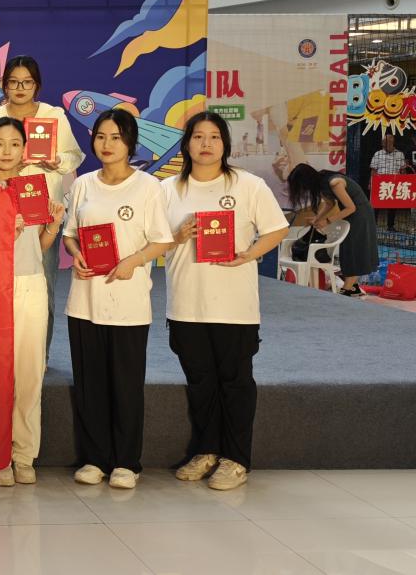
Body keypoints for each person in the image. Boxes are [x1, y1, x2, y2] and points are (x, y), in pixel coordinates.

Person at [162, 112, 288, 491]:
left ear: (225, 144)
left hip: (235, 306)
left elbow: (277, 228)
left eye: (214, 137)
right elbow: (152, 239)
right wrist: (177, 235)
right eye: (198, 136)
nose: (206, 144)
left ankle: (236, 459)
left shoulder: (248, 185)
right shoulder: (167, 189)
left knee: (235, 382)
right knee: (200, 382)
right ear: (187, 143)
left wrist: (249, 254)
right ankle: (206, 451)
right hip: (186, 303)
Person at [62, 108, 173, 490]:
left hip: (128, 302)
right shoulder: (83, 185)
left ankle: (127, 462)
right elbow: (70, 233)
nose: (107, 144)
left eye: (116, 137)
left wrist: (133, 261)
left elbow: (162, 240)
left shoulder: (148, 187)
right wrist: (76, 253)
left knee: (125, 385)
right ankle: (94, 459)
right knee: (89, 383)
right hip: (85, 300)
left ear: (130, 142)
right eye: (100, 136)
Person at [0, 118, 64, 488]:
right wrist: (2, 234)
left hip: (30, 285)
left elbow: (39, 247)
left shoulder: (33, 189)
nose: (7, 151)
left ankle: (24, 454)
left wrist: (53, 225)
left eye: (14, 144)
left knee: (29, 373)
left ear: (25, 149)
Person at [0, 56, 84, 354]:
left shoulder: (54, 115)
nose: (20, 88)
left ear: (37, 85)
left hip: (41, 212)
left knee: (43, 283)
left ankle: (39, 354)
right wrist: (3, 166)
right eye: (14, 82)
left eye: (27, 82)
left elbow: (75, 155)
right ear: (4, 85)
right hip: (0, 213)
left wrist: (56, 161)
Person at [287, 163, 379, 296]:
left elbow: (351, 207)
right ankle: (353, 288)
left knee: (354, 250)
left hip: (360, 214)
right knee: (347, 249)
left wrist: (327, 221)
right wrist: (317, 218)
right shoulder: (322, 183)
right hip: (351, 214)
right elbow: (329, 204)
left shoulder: (334, 182)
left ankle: (347, 290)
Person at [370, 134, 410, 231]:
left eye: (385, 142)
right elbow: (373, 170)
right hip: (380, 182)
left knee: (392, 205)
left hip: (394, 182)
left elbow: (403, 170)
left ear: (392, 142)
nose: (383, 144)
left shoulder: (400, 154)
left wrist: (404, 182)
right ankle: (373, 225)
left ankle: (390, 226)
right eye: (382, 142)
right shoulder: (377, 154)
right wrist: (371, 183)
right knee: (376, 205)